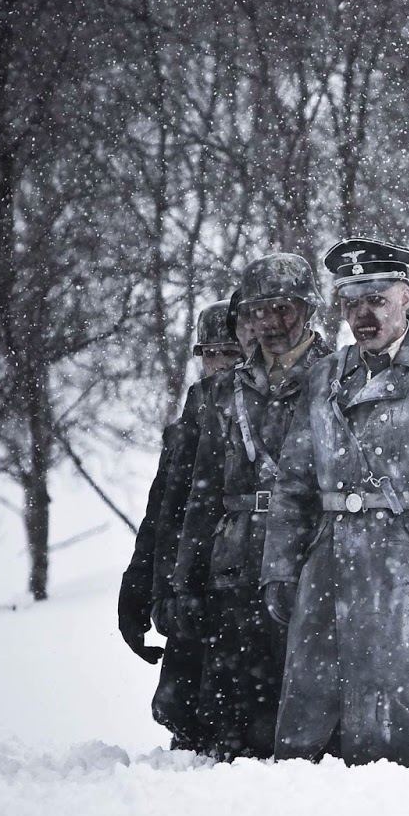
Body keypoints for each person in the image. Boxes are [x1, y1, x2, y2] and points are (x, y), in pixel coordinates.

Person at [262, 237, 409, 765]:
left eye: (376, 300)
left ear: (405, 298)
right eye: (351, 303)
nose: (363, 315)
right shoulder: (324, 377)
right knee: (316, 738)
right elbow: (294, 482)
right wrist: (279, 567)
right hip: (330, 566)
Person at [163, 253, 331, 759]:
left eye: (284, 308)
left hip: (309, 555)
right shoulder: (221, 392)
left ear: (308, 309)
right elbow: (201, 496)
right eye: (259, 311)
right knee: (230, 710)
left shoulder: (337, 378)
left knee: (309, 697)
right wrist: (184, 582)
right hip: (234, 559)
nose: (271, 322)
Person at [118, 298, 243, 750]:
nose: (219, 364)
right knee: (183, 715)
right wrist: (137, 590)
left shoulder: (257, 418)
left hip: (235, 591)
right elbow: (161, 514)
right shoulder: (190, 419)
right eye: (211, 353)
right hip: (186, 593)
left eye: (230, 353)